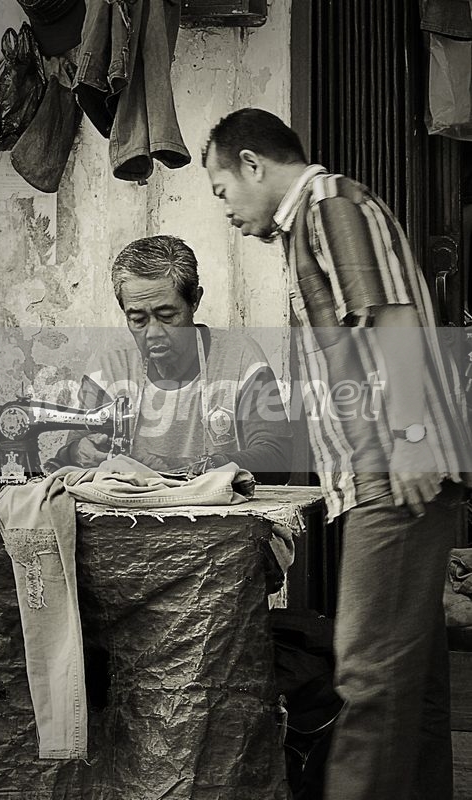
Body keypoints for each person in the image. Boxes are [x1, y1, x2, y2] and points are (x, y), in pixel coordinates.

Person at [203, 107, 472, 800]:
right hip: (383, 470)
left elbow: (394, 320)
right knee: (409, 682)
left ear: (252, 164)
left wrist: (410, 439)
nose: (225, 210)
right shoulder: (312, 222)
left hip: (392, 470)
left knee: (366, 676)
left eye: (222, 190)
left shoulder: (327, 205)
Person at [53, 234, 292, 485]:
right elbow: (65, 458)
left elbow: (277, 459)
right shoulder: (110, 366)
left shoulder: (240, 357)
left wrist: (187, 468)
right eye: (138, 320)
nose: (153, 333)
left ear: (195, 300)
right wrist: (78, 452)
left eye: (167, 316)